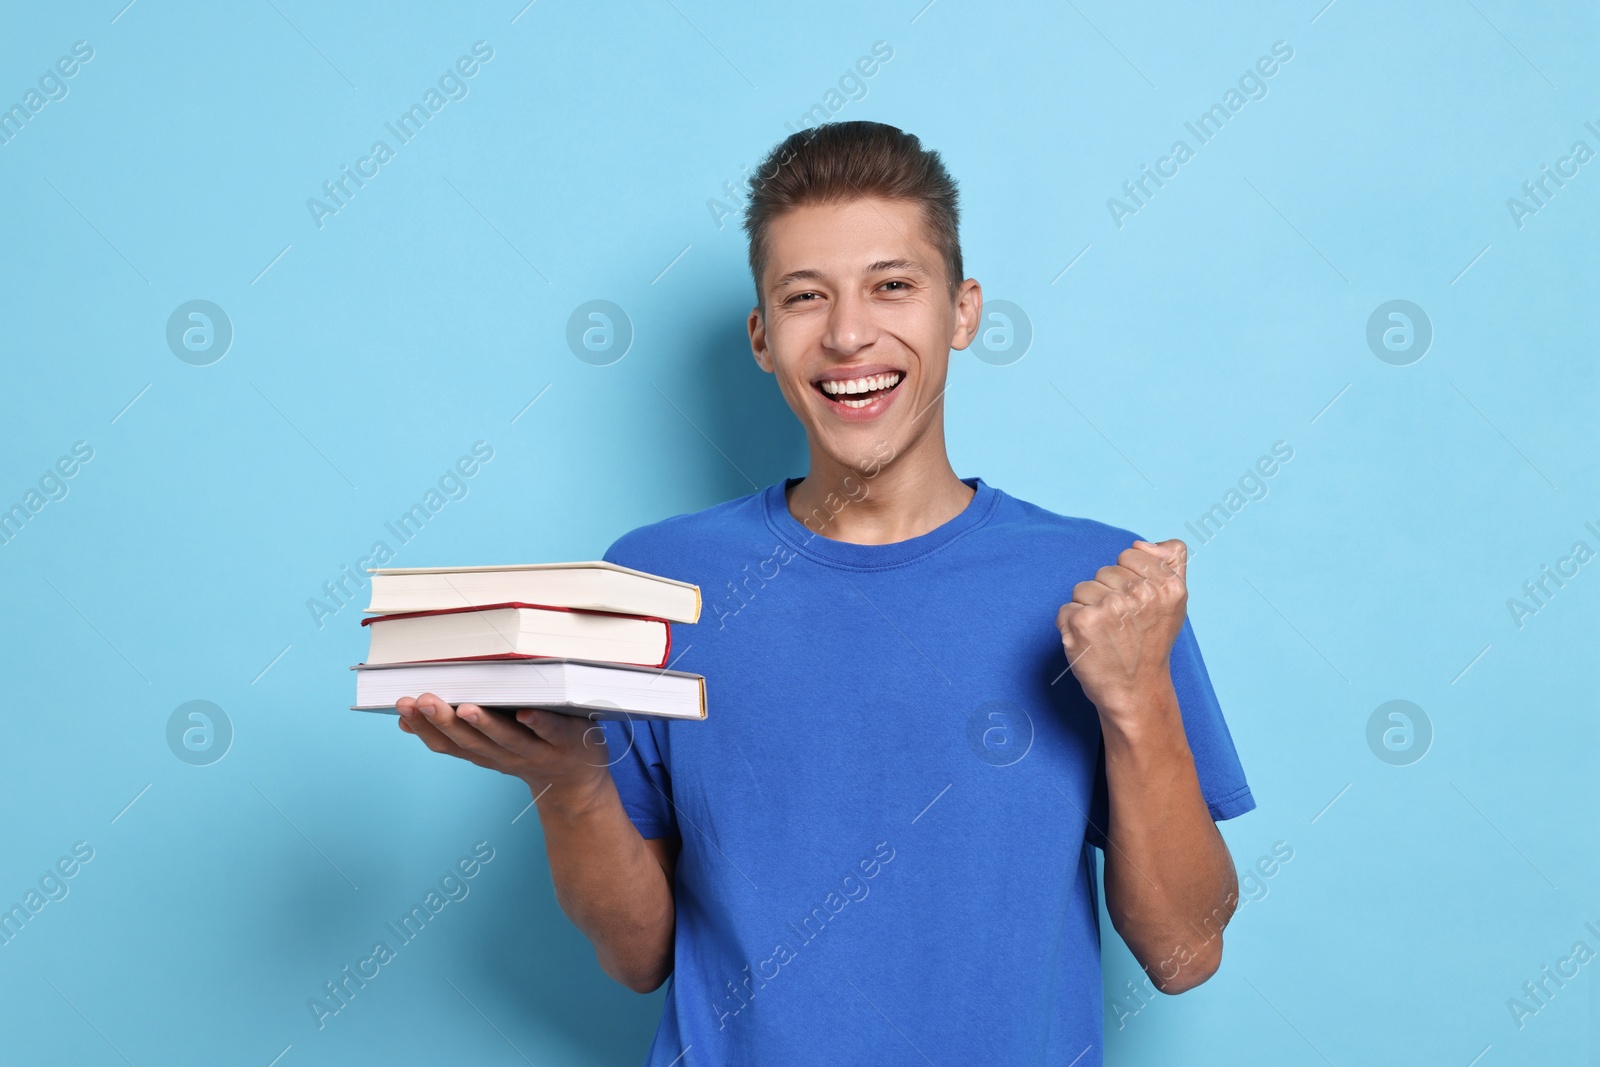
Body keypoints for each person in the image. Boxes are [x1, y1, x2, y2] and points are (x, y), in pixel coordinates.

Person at [394, 120, 1254, 1066]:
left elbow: (1184, 951)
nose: (849, 334)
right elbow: (636, 956)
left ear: (962, 312)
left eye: (893, 285)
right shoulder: (657, 584)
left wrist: (1139, 705)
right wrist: (565, 778)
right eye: (806, 297)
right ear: (763, 336)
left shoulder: (1101, 588)